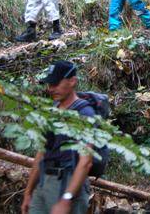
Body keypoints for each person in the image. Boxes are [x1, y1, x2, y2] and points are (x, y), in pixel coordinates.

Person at [21, 61, 95, 214]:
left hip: (67, 183)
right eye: (49, 84)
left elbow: (86, 161)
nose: (50, 89)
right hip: (43, 182)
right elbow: (41, 153)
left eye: (55, 84)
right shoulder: (52, 111)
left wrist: (67, 198)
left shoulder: (84, 113)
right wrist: (28, 192)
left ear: (72, 81)